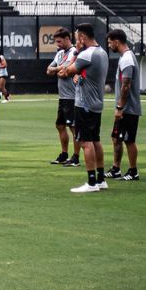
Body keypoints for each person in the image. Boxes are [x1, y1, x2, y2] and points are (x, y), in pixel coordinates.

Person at [59, 24, 109, 193]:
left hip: (84, 104)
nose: (75, 41)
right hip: (96, 103)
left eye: (76, 37)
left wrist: (75, 55)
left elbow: (65, 72)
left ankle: (91, 182)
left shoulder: (86, 54)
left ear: (81, 37)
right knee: (95, 140)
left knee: (85, 142)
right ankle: (101, 179)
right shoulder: (101, 52)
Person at [105, 29, 141, 181]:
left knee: (129, 140)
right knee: (116, 138)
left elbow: (126, 85)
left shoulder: (127, 59)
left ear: (116, 42)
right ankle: (116, 169)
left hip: (128, 108)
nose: (108, 45)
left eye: (109, 42)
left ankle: (133, 172)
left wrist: (120, 108)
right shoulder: (126, 57)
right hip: (125, 108)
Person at [46, 28, 81, 166]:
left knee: (73, 127)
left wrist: (59, 69)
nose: (58, 44)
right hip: (63, 96)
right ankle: (64, 154)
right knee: (60, 125)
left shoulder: (74, 52)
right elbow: (49, 70)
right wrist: (59, 69)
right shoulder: (60, 53)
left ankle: (76, 157)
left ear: (67, 38)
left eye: (60, 41)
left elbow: (65, 72)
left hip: (72, 97)